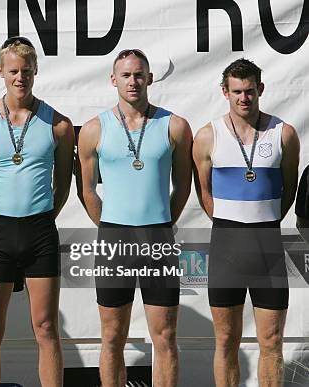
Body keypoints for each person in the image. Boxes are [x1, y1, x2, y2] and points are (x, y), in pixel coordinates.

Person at [0, 36, 74, 387]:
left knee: (45, 327)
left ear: (35, 71)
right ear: (1, 72)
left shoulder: (58, 125)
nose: (20, 77)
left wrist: (42, 217)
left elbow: (64, 185)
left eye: (26, 71)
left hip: (39, 232)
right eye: (13, 71)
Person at [77, 49, 193, 387]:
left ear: (150, 79)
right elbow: (87, 191)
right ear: (113, 80)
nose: (133, 81)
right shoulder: (95, 129)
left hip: (158, 238)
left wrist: (159, 224)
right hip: (115, 240)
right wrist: (112, 226)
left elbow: (183, 186)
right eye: (126, 75)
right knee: (112, 335)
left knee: (166, 335)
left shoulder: (174, 126)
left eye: (139, 74)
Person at [193, 58, 299, 387]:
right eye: (237, 91)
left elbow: (288, 189)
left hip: (267, 249)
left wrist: (262, 222)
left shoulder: (284, 133)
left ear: (260, 90)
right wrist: (232, 222)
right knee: (226, 342)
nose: (244, 98)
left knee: (271, 344)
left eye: (250, 91)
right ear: (225, 92)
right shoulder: (208, 136)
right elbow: (204, 192)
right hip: (226, 248)